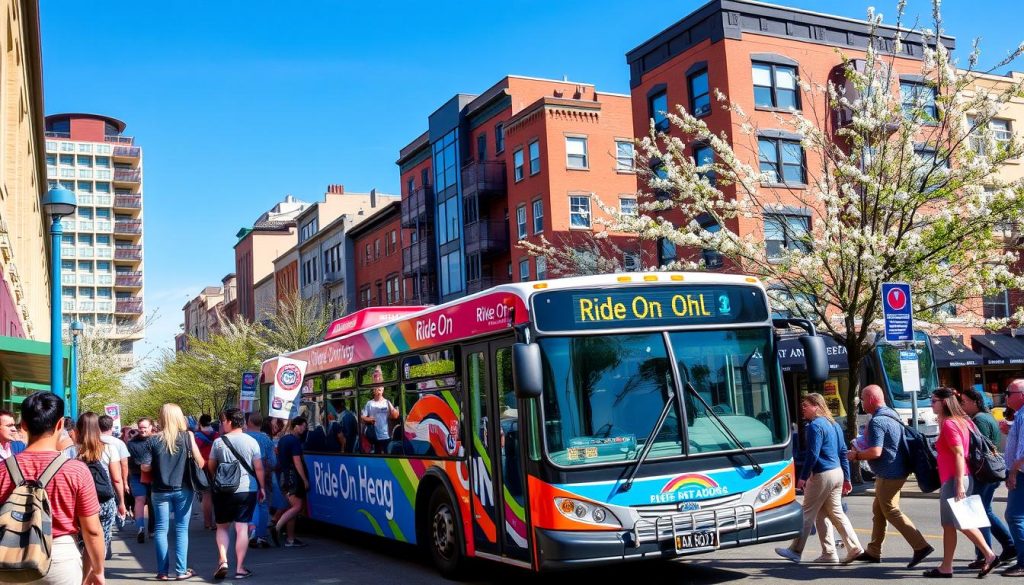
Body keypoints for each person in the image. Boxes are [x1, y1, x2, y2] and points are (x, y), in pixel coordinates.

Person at [0, 392, 105, 585]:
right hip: (60, 557)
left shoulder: (2, 469)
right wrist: (98, 570)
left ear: (22, 425)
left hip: (9, 557)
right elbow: (92, 530)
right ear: (60, 425)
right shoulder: (76, 470)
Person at [847, 384, 934, 567]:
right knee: (879, 511)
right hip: (895, 470)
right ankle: (873, 551)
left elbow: (876, 451)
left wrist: (856, 455)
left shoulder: (878, 421)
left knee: (890, 510)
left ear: (871, 399)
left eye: (863, 399)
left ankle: (921, 546)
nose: (862, 403)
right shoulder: (892, 414)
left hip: (889, 473)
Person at [776, 393, 863, 564]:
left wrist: (802, 477)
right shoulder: (834, 424)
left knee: (807, 512)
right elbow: (843, 452)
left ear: (816, 406)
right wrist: (846, 478)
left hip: (822, 474)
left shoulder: (815, 425)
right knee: (828, 513)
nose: (803, 409)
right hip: (837, 473)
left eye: (806, 406)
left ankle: (795, 550)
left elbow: (812, 455)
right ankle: (837, 551)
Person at [922, 387, 998, 578]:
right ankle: (946, 566)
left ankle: (989, 555)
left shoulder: (950, 423)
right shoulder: (962, 421)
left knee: (962, 522)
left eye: (933, 401)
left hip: (955, 478)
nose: (931, 404)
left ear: (944, 402)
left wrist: (958, 484)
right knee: (949, 524)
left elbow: (958, 453)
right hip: (959, 477)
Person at [139, 404, 205, 581]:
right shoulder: (187, 437)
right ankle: (181, 570)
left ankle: (162, 572)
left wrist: (159, 465)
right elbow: (200, 462)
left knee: (161, 529)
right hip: (183, 489)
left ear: (161, 418)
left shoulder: (153, 440)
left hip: (159, 490)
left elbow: (145, 466)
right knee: (181, 529)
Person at [960, 387, 1017, 567]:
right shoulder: (985, 417)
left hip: (984, 473)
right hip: (989, 472)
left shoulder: (979, 420)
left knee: (978, 513)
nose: (961, 405)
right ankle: (1009, 546)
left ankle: (985, 554)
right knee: (985, 511)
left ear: (975, 402)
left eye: (964, 402)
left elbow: (980, 448)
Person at [207, 408, 265, 580]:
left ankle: (223, 560)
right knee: (242, 528)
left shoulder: (218, 442)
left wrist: (217, 478)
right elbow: (259, 467)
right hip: (247, 489)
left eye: (223, 420)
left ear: (230, 421)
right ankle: (240, 568)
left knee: (222, 526)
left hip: (223, 489)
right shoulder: (252, 441)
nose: (222, 424)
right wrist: (261, 487)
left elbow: (211, 465)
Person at [75, 412, 126, 565]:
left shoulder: (73, 450)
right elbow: (116, 479)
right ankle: (97, 571)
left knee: (82, 538)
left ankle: (84, 573)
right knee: (101, 539)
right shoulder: (109, 448)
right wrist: (121, 502)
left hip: (80, 500)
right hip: (104, 499)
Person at [271, 416, 309, 548]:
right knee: (297, 506)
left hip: (284, 476)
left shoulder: (283, 440)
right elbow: (297, 462)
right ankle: (277, 527)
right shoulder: (294, 441)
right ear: (296, 426)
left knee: (291, 508)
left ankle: (291, 539)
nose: (305, 429)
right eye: (303, 426)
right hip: (292, 477)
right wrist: (304, 479)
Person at [1002, 379, 1024, 577]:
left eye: (1009, 393)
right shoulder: (1020, 416)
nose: (1006, 396)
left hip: (1022, 473)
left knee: (1015, 517)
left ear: (1022, 396)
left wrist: (1014, 473)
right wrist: (1010, 430)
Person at [244, 412, 275, 549]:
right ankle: (261, 536)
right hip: (264, 476)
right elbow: (273, 461)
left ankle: (251, 530)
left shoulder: (242, 438)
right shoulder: (266, 439)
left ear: (248, 422)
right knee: (263, 504)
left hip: (245, 476)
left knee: (249, 504)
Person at [97, 415, 130, 532]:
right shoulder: (118, 443)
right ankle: (119, 521)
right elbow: (124, 464)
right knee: (114, 501)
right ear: (111, 426)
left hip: (97, 482)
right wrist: (125, 481)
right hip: (114, 478)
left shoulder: (93, 441)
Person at [125, 417, 154, 543]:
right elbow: (128, 462)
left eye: (145, 427)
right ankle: (141, 528)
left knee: (153, 502)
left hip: (154, 476)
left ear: (151, 427)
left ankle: (151, 528)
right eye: (140, 427)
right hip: (137, 475)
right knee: (139, 499)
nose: (142, 430)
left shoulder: (156, 441)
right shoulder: (131, 444)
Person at [361, 368, 400, 454]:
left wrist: (392, 407)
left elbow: (395, 416)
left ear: (383, 390)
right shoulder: (369, 403)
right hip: (374, 437)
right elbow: (362, 417)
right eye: (376, 389)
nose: (378, 390)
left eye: (380, 389)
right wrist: (370, 419)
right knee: (377, 457)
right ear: (373, 391)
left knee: (388, 456)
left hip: (386, 436)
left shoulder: (387, 402)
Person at [193, 414, 219, 531]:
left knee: (206, 495)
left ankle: (207, 523)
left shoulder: (197, 437)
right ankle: (217, 522)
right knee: (218, 495)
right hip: (217, 466)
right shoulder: (217, 435)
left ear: (200, 423)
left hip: (203, 466)